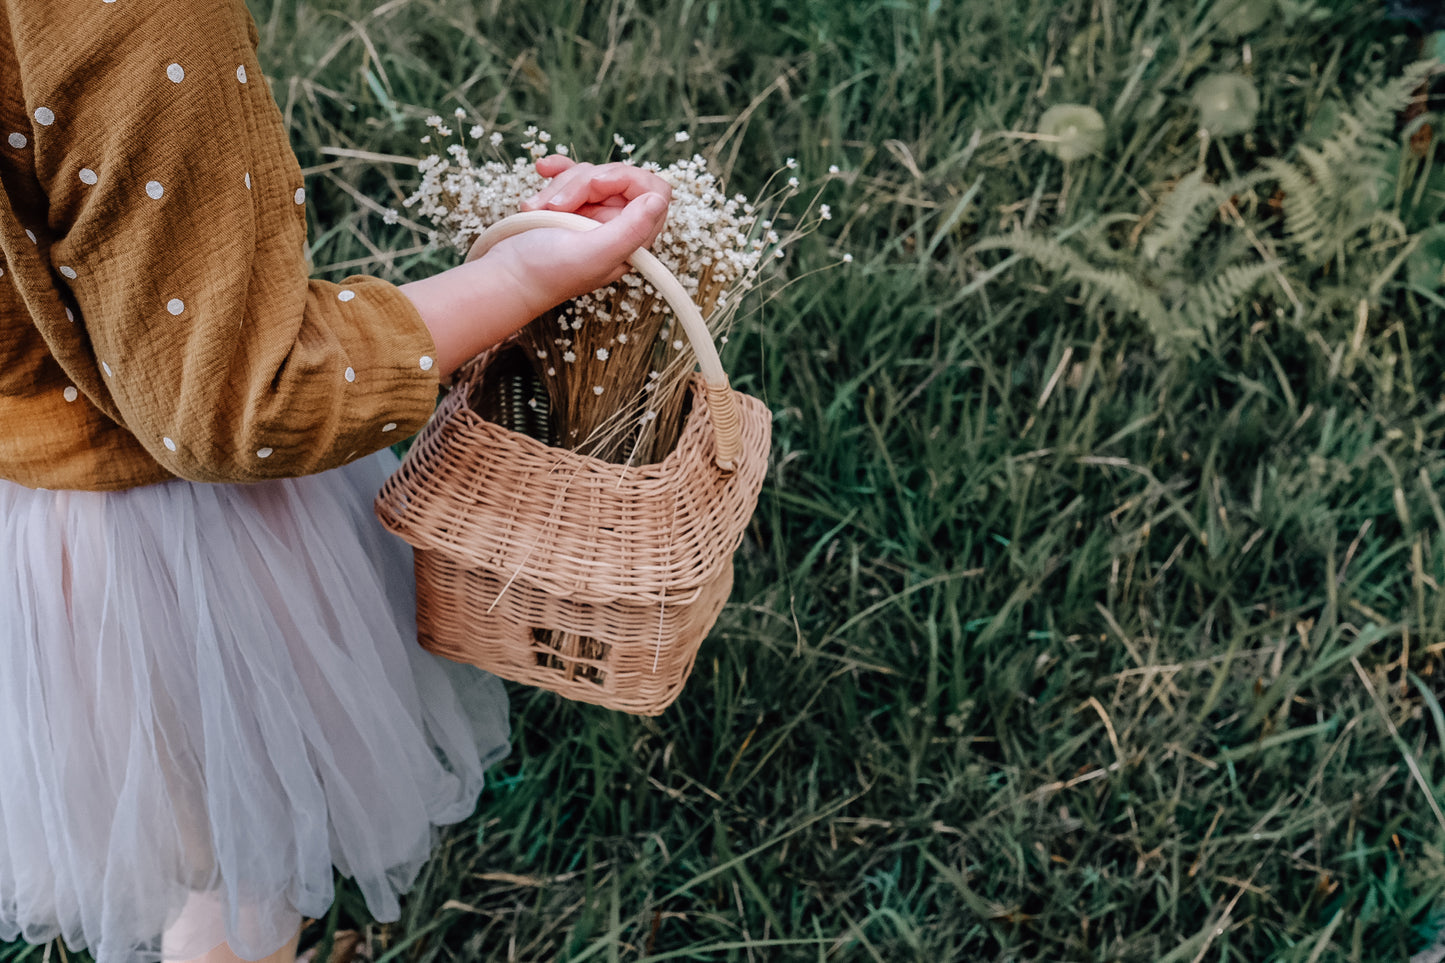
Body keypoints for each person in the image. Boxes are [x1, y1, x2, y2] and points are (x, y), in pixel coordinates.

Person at [0, 1, 672, 962]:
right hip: (170, 559)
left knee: (175, 839)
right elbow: (235, 401)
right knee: (243, 877)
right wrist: (525, 278)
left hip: (22, 525)